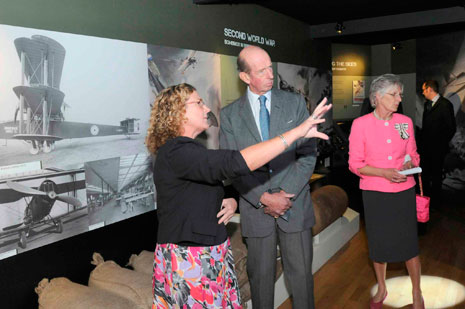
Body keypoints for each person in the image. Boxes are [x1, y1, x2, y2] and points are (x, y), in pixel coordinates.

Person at [146, 83, 331, 308]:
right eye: (198, 103)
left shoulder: (186, 151)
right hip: (190, 262)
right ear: (178, 112)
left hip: (207, 255)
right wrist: (294, 134)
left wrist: (231, 201)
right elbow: (235, 163)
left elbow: (193, 191)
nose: (206, 109)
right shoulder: (177, 151)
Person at [219, 45, 319, 308]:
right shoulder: (229, 116)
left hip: (294, 206)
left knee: (301, 281)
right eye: (261, 70)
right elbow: (232, 165)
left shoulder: (294, 103)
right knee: (260, 281)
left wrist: (286, 194)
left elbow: (308, 152)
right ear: (244, 77)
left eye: (269, 66)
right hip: (256, 211)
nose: (270, 73)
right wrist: (262, 197)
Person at [348, 74, 424, 309]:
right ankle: (382, 287)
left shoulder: (405, 122)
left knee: (409, 244)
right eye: (394, 94)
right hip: (375, 194)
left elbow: (413, 152)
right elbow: (355, 163)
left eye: (400, 94)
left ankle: (416, 292)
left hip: (404, 191)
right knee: (379, 245)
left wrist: (410, 164)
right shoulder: (360, 125)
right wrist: (385, 172)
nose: (399, 99)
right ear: (378, 97)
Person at [420, 80, 456, 207]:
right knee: (424, 174)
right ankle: (425, 200)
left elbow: (451, 128)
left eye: (424, 90)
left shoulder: (445, 105)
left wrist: (439, 144)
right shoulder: (427, 105)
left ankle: (435, 202)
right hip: (425, 149)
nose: (423, 92)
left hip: (437, 150)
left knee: (436, 176)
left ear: (430, 89)